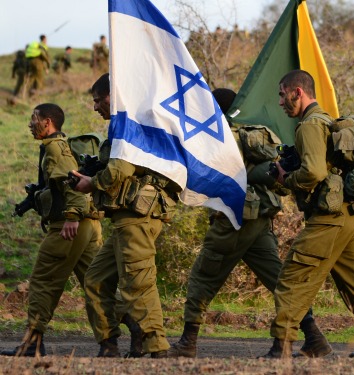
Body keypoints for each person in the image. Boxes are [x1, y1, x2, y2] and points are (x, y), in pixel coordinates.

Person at [168, 88, 330, 358]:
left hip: (235, 218)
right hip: (259, 217)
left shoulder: (221, 137)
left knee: (203, 276)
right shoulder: (252, 134)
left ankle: (187, 342)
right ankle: (313, 336)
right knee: (279, 279)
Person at [264, 70, 354, 358]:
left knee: (294, 275)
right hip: (353, 216)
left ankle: (281, 346)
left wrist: (286, 179)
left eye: (283, 95)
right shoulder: (328, 121)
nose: (281, 102)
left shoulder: (309, 126)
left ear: (298, 92)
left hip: (329, 218)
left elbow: (314, 172)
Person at [73, 74, 180, 358]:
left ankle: (156, 347)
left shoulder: (127, 123)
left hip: (137, 217)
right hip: (126, 218)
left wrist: (91, 183)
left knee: (138, 281)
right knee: (95, 280)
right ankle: (109, 345)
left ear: (113, 95)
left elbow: (120, 169)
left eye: (98, 100)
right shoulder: (124, 124)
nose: (95, 107)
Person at [0, 104, 102, 357]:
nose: (29, 124)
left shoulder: (56, 148)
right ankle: (129, 337)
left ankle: (32, 343)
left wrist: (71, 216)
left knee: (43, 282)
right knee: (99, 285)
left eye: (33, 118)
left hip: (70, 226)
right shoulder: (56, 146)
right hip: (88, 224)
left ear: (47, 122)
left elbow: (72, 183)